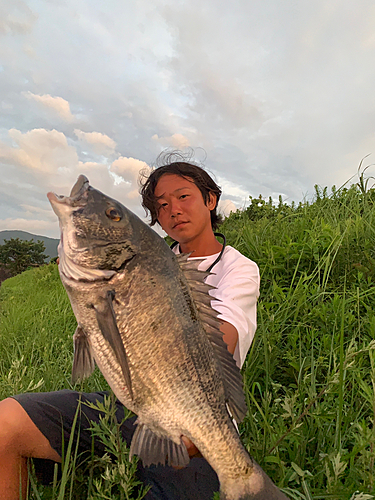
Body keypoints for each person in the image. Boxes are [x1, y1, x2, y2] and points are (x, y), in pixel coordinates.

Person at [0, 159, 260, 500]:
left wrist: (199, 426)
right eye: (162, 205)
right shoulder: (150, 261)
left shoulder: (238, 268)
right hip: (129, 407)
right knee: (6, 423)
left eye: (184, 196)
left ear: (211, 199)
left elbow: (225, 337)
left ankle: (244, 480)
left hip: (195, 423)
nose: (174, 210)